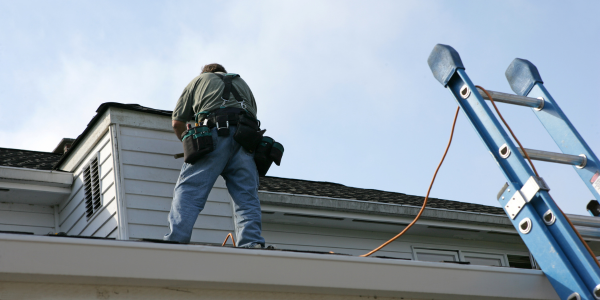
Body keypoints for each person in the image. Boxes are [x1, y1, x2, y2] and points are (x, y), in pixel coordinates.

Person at [164, 63, 266, 248]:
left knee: (190, 189)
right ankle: (252, 243)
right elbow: (252, 113)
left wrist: (188, 143)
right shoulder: (242, 82)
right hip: (246, 140)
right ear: (224, 72)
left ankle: (176, 239)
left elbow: (177, 123)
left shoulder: (198, 81)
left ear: (205, 73)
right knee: (246, 197)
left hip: (214, 135)